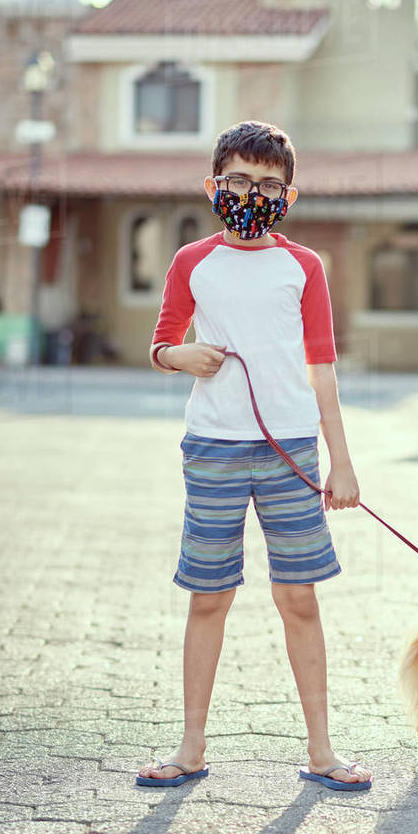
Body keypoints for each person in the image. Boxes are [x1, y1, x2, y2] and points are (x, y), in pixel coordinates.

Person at [136, 120, 371, 791]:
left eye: (268, 185)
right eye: (238, 180)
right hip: (212, 447)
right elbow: (160, 342)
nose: (252, 194)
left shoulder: (303, 267)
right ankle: (189, 748)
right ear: (214, 185)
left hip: (289, 450)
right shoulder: (191, 262)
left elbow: (321, 368)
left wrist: (341, 463)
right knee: (208, 598)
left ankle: (322, 751)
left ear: (288, 197)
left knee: (299, 598)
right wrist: (177, 355)